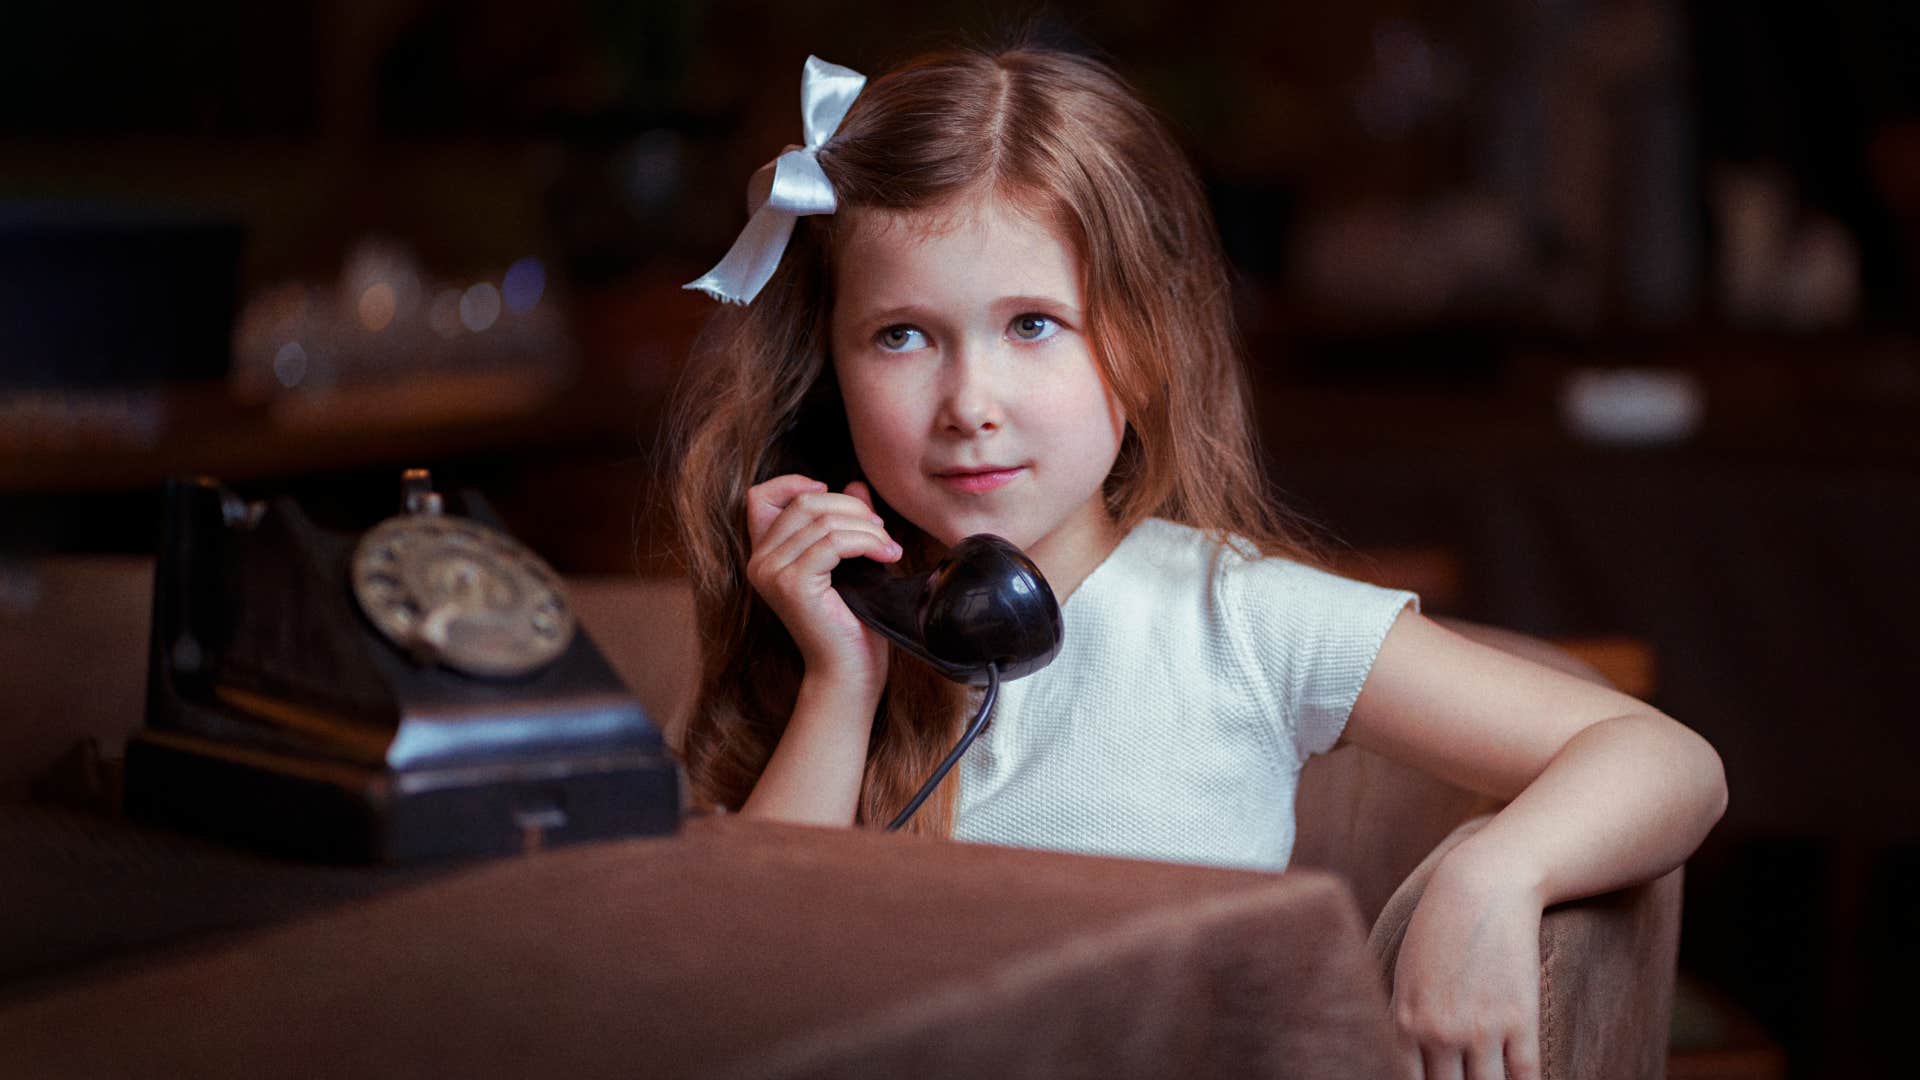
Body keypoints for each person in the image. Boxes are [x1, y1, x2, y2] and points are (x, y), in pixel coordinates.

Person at [668, 44, 1726, 1080]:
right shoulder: (837, 645)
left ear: (1140, 344)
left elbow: (1668, 761)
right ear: (828, 370)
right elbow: (736, 1004)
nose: (970, 405)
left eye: (1034, 324)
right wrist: (840, 679)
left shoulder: (1238, 617)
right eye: (902, 336)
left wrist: (1492, 875)